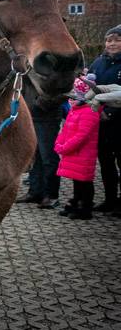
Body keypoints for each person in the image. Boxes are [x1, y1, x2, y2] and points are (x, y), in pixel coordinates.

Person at [55, 75, 102, 220]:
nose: (71, 100)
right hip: (73, 152)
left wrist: (65, 147)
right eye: (70, 97)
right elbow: (65, 130)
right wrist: (59, 143)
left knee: (85, 181)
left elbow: (81, 136)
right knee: (77, 179)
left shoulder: (90, 112)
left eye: (75, 97)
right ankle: (76, 201)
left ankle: (85, 207)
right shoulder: (75, 110)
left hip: (83, 153)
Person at [15, 80, 65, 209]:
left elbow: (63, 91)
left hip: (47, 118)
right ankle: (35, 192)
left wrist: (40, 103)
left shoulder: (53, 67)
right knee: (34, 157)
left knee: (48, 157)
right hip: (30, 117)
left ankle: (51, 195)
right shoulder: (30, 68)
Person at [88, 25, 121, 215]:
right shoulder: (99, 62)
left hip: (118, 120)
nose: (112, 44)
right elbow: (91, 85)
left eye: (116, 40)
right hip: (100, 121)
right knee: (106, 164)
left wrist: (110, 112)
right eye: (109, 40)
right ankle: (109, 199)